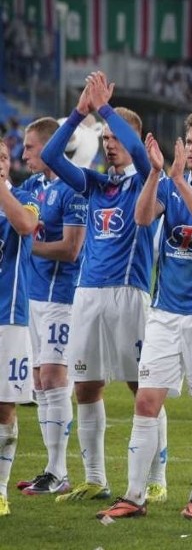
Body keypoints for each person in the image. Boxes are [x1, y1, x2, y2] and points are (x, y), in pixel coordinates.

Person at [97, 111, 192, 521]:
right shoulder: (167, 183)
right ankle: (134, 495)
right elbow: (143, 218)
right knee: (146, 401)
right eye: (189, 141)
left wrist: (180, 181)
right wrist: (155, 174)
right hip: (164, 313)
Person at [41, 72, 169, 504]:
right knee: (86, 387)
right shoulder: (97, 183)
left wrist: (107, 110)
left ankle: (158, 476)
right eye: (107, 138)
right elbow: (52, 155)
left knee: (141, 387)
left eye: (116, 137)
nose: (109, 143)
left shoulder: (148, 181)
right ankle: (95, 477)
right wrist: (81, 111)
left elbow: (139, 153)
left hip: (129, 294)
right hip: (87, 294)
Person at [16, 117, 86, 496]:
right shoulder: (34, 186)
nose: (22, 154)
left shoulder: (73, 190)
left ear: (47, 148)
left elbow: (72, 249)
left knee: (55, 378)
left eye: (29, 147)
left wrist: (27, 246)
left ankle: (59, 472)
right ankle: (50, 467)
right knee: (40, 381)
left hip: (63, 297)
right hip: (33, 295)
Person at [0, 139, 40, 516]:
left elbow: (26, 225)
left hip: (8, 319)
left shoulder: (26, 197)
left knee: (4, 408)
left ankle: (0, 491)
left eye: (1, 157)